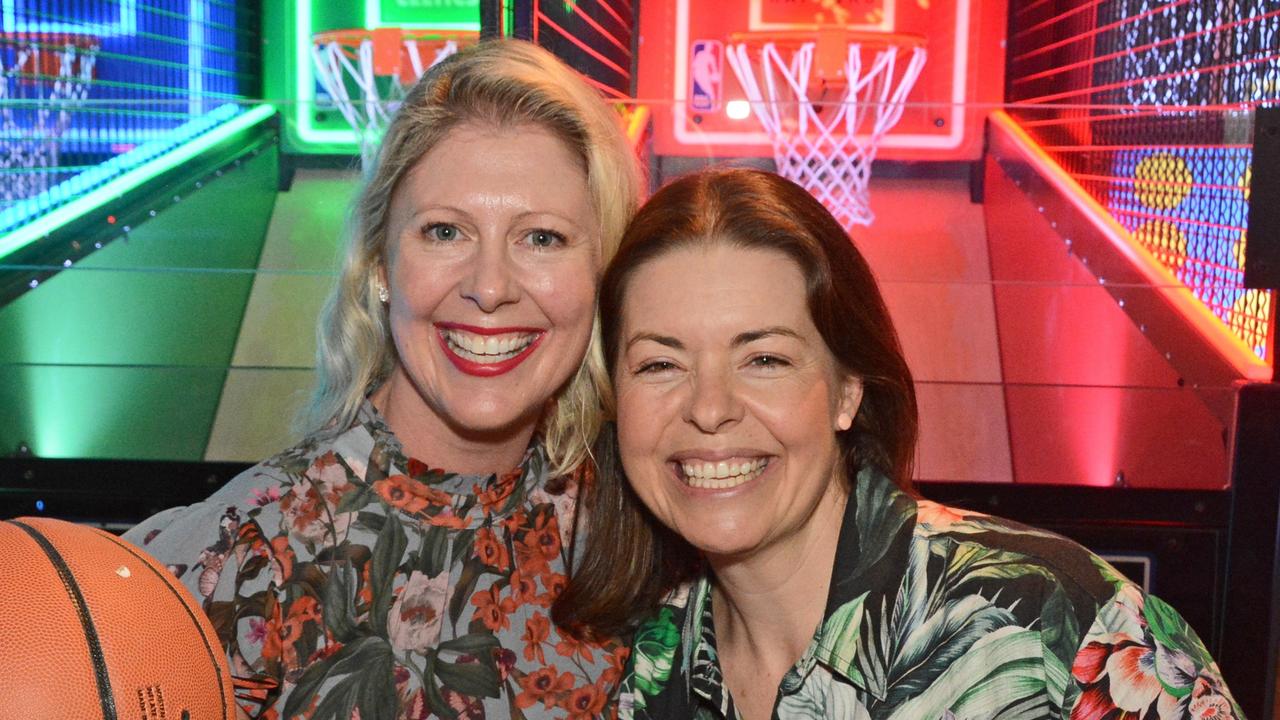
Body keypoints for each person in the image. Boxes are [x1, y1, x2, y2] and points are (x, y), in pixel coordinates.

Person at [555, 168, 1242, 719]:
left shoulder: (1054, 626)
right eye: (660, 364)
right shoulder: (646, 669)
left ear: (849, 389)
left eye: (763, 359)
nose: (708, 409)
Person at [125, 39, 641, 718]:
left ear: (599, 276)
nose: (490, 287)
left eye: (542, 238)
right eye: (444, 232)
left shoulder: (634, 532)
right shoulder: (241, 561)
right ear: (378, 268)